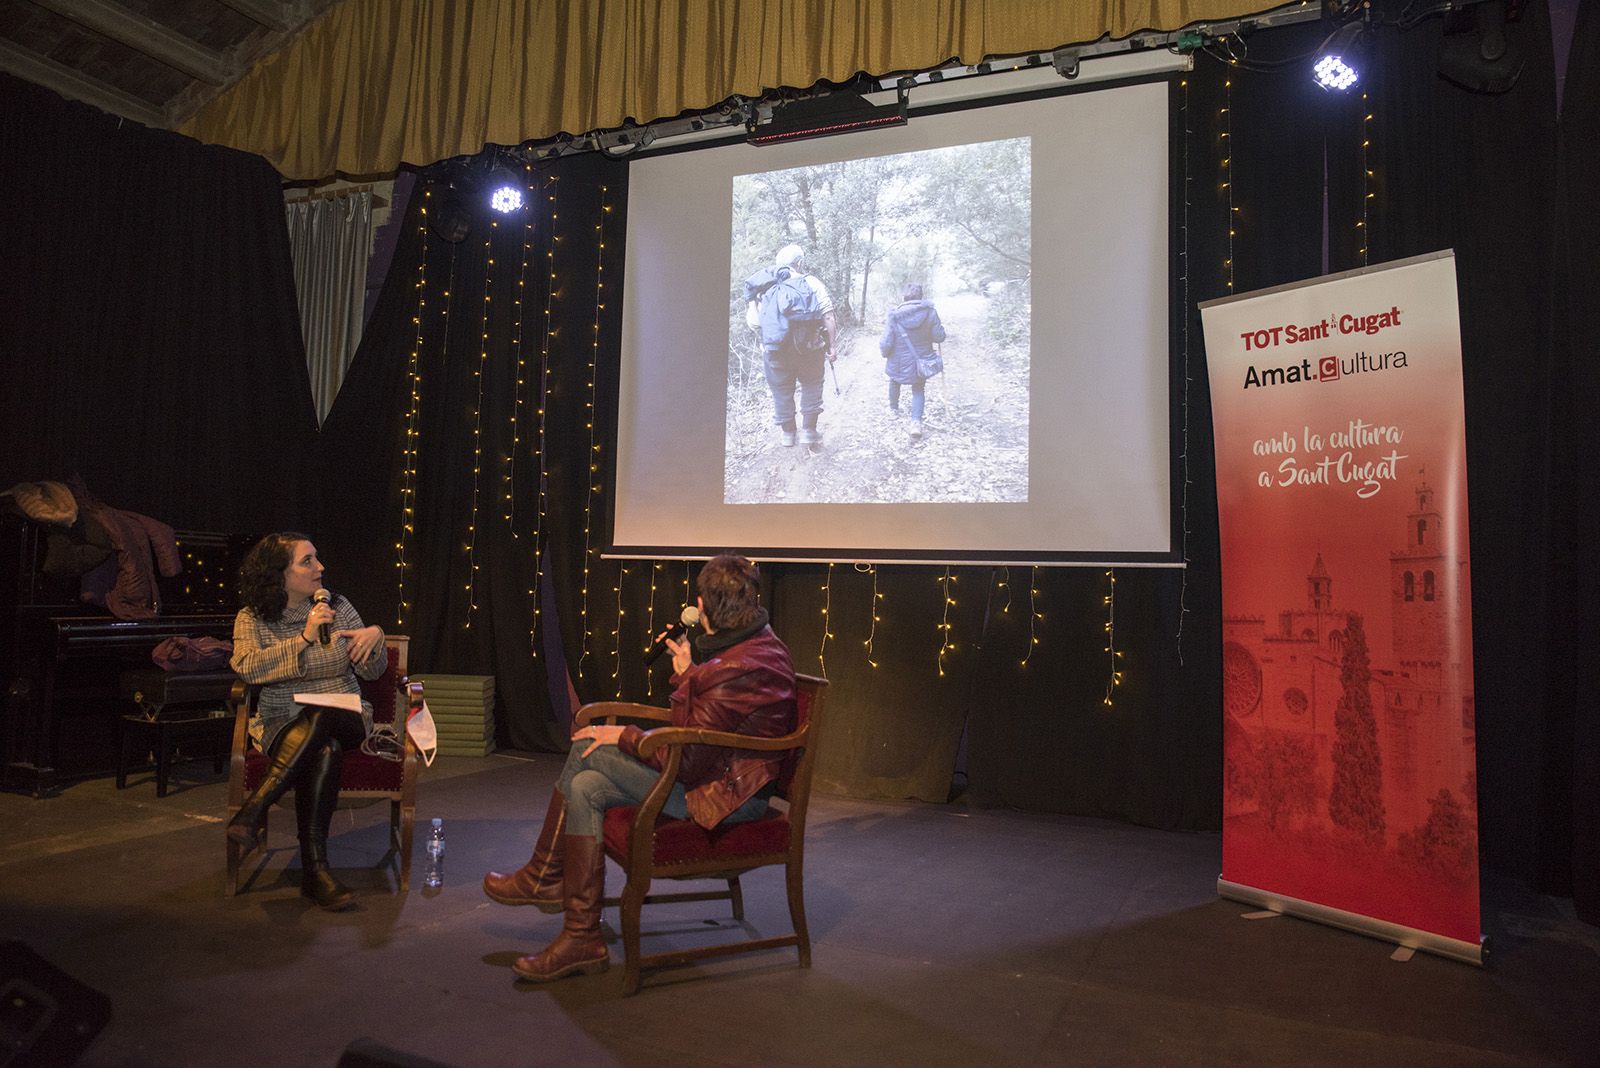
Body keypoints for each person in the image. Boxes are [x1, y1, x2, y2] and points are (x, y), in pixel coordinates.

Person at [483, 553, 798, 982]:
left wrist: (626, 735)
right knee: (585, 786)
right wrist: (689, 674)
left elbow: (687, 762)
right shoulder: (759, 645)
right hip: (718, 777)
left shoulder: (736, 667)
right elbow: (705, 729)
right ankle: (582, 937)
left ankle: (544, 876)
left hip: (726, 798)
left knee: (588, 746)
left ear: (704, 607)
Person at [225, 533, 388, 911]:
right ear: (279, 573)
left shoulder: (338, 606)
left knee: (322, 714)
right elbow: (247, 668)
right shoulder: (252, 617)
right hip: (281, 720)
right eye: (307, 561)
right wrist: (303, 638)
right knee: (324, 749)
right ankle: (316, 872)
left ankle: (256, 806)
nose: (320, 567)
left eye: (317, 558)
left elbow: (374, 671)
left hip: (347, 714)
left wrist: (375, 638)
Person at [747, 244, 836, 447]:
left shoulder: (763, 287)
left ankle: (788, 435)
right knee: (812, 384)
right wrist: (832, 346)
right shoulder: (811, 282)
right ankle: (809, 432)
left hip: (775, 350)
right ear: (799, 263)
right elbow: (828, 316)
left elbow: (753, 323)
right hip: (809, 347)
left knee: (781, 389)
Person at [880, 283, 947, 440]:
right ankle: (916, 422)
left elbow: (886, 342)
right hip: (920, 361)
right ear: (921, 296)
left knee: (894, 381)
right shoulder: (930, 312)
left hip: (897, 361)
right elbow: (939, 337)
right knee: (918, 388)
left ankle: (893, 410)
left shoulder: (894, 315)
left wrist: (885, 353)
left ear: (904, 297)